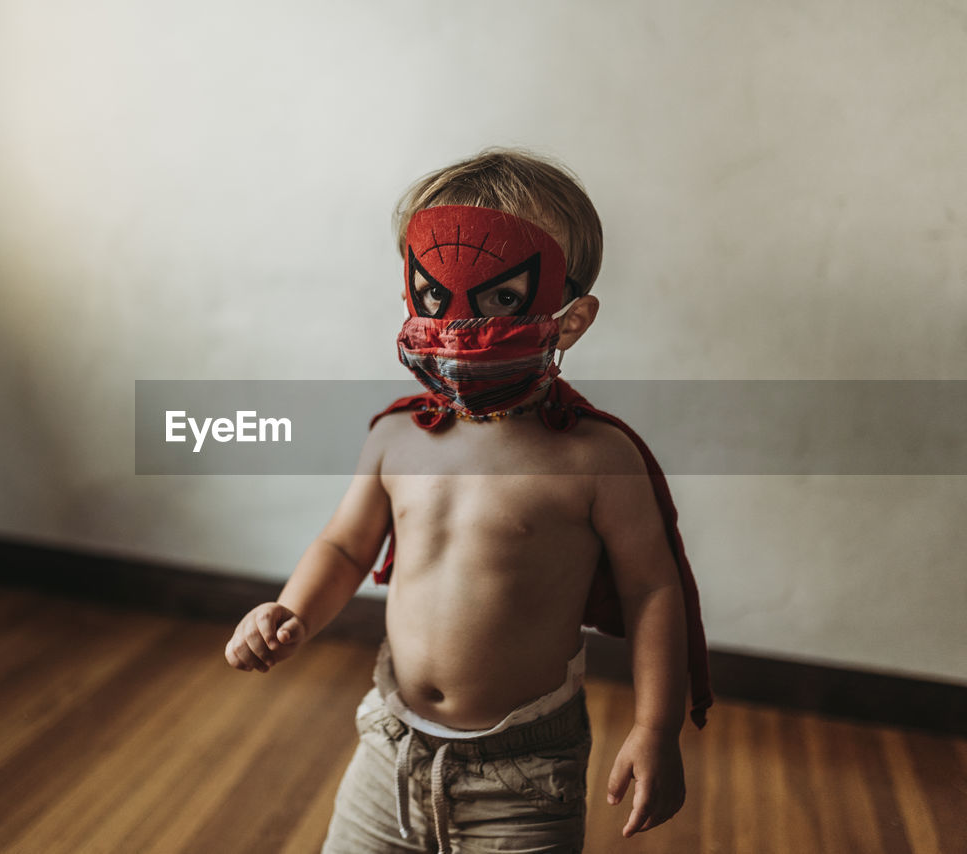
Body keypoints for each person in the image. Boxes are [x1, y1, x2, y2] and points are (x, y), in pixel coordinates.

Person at [224, 148, 711, 853]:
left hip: (524, 776)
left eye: (502, 298)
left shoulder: (597, 460)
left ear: (570, 322)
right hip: (389, 744)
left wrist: (656, 728)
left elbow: (652, 587)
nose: (456, 326)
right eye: (434, 296)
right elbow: (344, 546)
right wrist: (289, 611)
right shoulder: (396, 437)